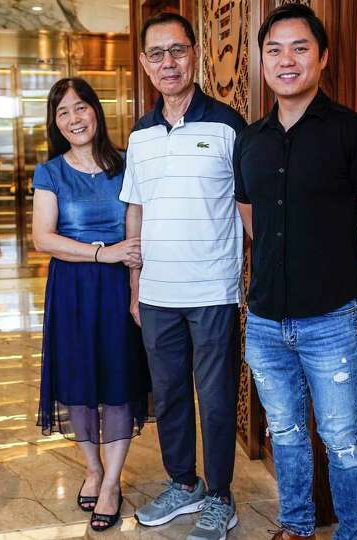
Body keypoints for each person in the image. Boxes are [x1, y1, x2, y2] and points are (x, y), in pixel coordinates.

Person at [233, 5, 357, 540]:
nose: (287, 60)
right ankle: (297, 525)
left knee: (343, 436)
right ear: (262, 61)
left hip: (330, 320)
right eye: (275, 49)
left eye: (300, 48)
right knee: (284, 430)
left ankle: (353, 534)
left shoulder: (355, 133)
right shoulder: (251, 140)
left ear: (323, 58)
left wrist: (332, 274)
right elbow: (251, 218)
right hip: (263, 322)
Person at [120, 12, 246, 540]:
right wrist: (134, 285)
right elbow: (136, 211)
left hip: (213, 288)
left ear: (194, 55)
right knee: (169, 394)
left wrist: (251, 280)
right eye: (157, 54)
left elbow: (248, 208)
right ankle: (183, 483)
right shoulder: (140, 134)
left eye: (177, 51)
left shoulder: (228, 125)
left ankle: (220, 496)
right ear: (146, 65)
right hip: (156, 293)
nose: (168, 62)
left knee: (216, 398)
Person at [32, 77, 150, 533]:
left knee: (118, 382)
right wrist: (104, 252)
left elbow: (136, 235)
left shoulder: (126, 164)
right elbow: (43, 238)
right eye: (63, 112)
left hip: (118, 288)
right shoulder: (50, 172)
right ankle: (93, 467)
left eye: (80, 108)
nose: (74, 118)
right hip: (72, 290)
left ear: (95, 112)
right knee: (79, 382)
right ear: (55, 123)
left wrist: (136, 288)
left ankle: (113, 480)